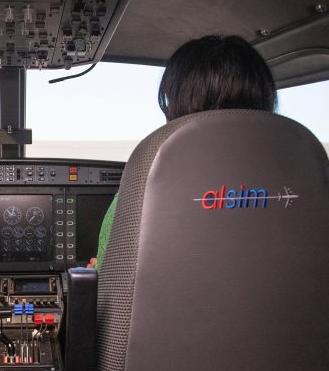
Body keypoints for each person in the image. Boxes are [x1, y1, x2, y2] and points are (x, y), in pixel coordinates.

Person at [91, 34, 277, 269]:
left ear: (175, 105)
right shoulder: (307, 182)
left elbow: (114, 285)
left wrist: (97, 273)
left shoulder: (140, 194)